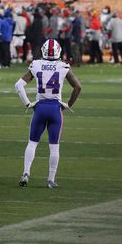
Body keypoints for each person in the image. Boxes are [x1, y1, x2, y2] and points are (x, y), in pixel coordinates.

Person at [15, 38, 81, 188]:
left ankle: (26, 172)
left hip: (40, 108)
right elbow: (78, 87)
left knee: (32, 142)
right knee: (54, 146)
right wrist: (68, 105)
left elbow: (18, 85)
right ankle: (50, 180)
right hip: (55, 109)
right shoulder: (63, 66)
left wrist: (28, 103)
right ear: (58, 51)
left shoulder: (36, 64)